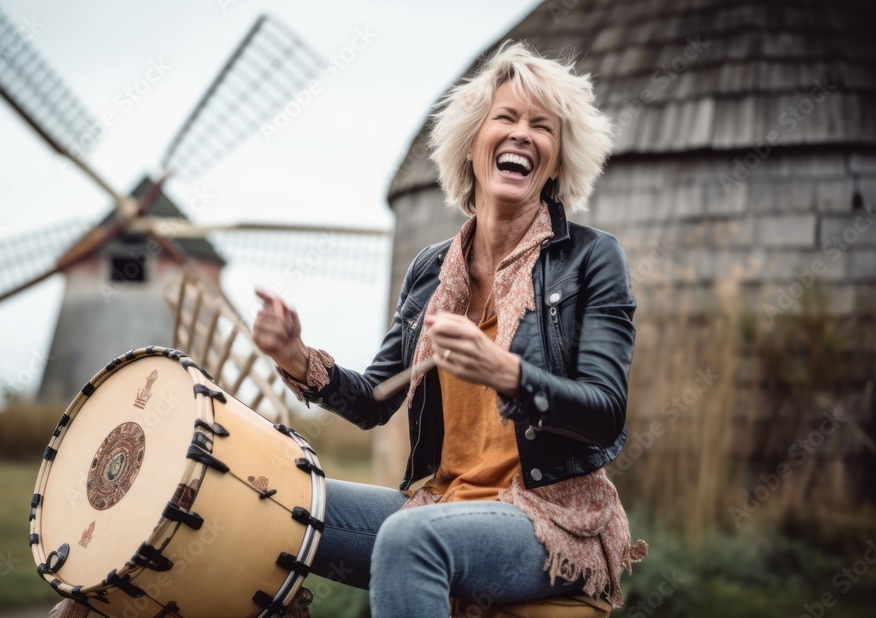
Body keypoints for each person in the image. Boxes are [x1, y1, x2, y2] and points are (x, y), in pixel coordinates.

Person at [252, 40, 647, 618]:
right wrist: (295, 356)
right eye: (506, 117)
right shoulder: (432, 270)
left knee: (411, 539)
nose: (521, 133)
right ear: (472, 145)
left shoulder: (591, 259)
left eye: (542, 127)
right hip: (441, 501)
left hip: (547, 516)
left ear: (557, 161)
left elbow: (605, 411)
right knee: (270, 500)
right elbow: (374, 400)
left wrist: (507, 374)